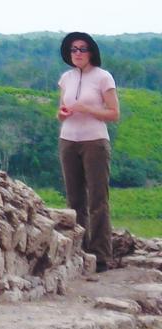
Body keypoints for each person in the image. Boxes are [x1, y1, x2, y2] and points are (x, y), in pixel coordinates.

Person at [56, 32, 120, 273]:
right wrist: (63, 114)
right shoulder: (66, 78)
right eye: (74, 49)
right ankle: (79, 251)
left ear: (91, 51)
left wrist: (88, 109)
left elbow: (114, 113)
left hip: (95, 141)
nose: (78, 53)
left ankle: (101, 256)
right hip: (69, 140)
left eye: (82, 49)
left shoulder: (103, 77)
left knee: (97, 200)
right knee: (74, 200)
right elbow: (59, 112)